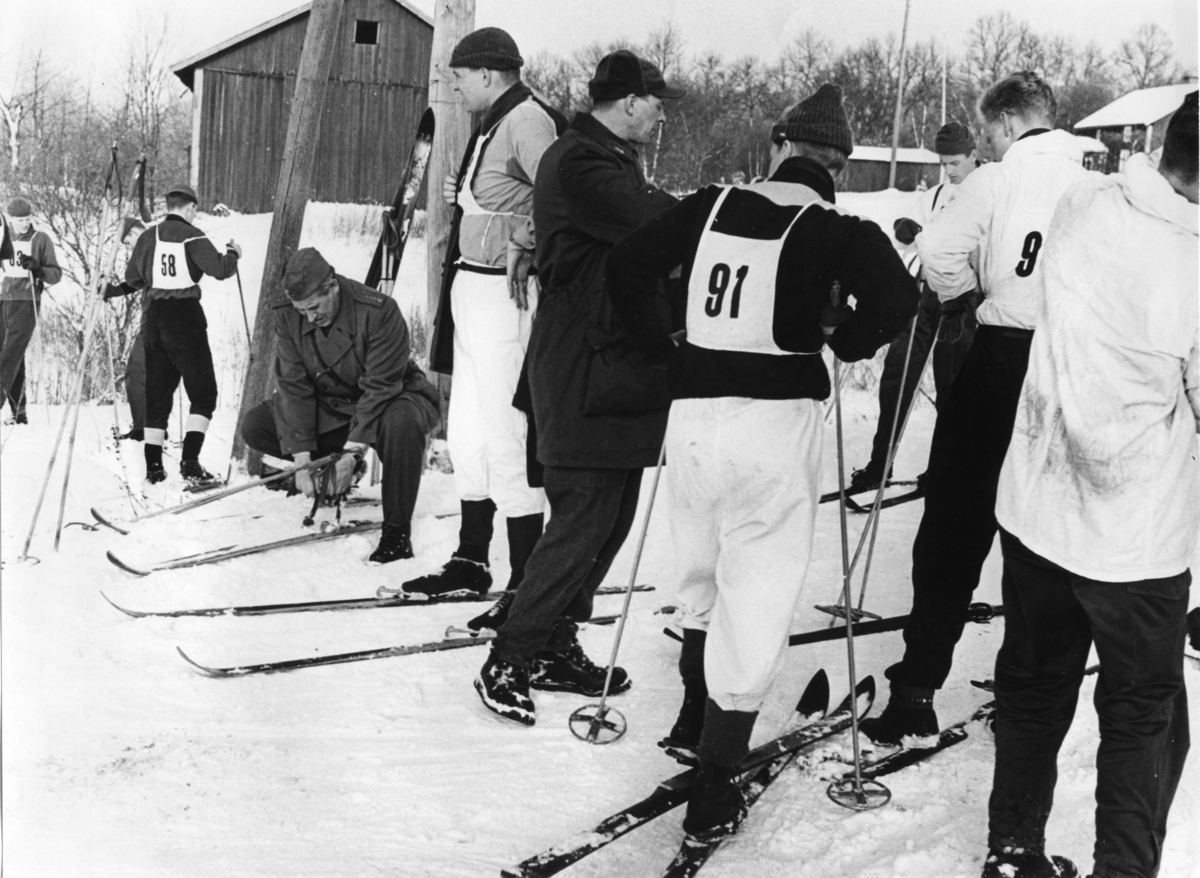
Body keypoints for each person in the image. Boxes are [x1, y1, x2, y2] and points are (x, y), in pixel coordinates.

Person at [606, 83, 918, 843]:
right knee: (758, 590)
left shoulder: (709, 205)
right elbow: (899, 301)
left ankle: (691, 713)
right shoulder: (837, 228)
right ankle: (716, 785)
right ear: (837, 166)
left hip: (693, 421)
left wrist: (662, 349)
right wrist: (845, 338)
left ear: (780, 146)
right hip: (773, 428)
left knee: (700, 568)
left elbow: (626, 265)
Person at [980, 93, 1197, 878]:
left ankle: (1013, 852)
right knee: (1143, 719)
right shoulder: (1192, 265)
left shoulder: (1084, 204)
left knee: (1034, 687)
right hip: (1131, 538)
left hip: (1038, 507)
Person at [859, 72, 1092, 745]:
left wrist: (962, 297)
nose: (987, 143)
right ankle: (1028, 695)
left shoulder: (995, 179)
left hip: (1002, 354)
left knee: (955, 523)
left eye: (989, 131)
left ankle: (916, 691)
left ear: (1008, 123)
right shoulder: (1094, 183)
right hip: (1068, 366)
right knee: (1046, 531)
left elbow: (936, 249)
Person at [472, 49, 683, 725]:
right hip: (580, 367)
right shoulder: (582, 162)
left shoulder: (608, 158)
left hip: (612, 366)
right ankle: (509, 658)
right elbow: (658, 221)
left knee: (610, 520)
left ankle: (555, 644)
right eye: (657, 104)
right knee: (582, 518)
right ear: (629, 102)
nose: (661, 116)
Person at [405, 28, 567, 608]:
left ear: (487, 73)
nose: (454, 87)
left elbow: (562, 193)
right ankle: (472, 559)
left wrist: (526, 236)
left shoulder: (526, 120)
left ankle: (526, 580)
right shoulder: (493, 122)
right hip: (471, 288)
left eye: (459, 77)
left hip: (505, 295)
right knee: (469, 433)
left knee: (505, 432)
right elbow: (508, 193)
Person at [239, 248, 442, 564]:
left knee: (402, 420)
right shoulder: (288, 314)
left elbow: (380, 388)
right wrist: (302, 460)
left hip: (388, 399)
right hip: (332, 405)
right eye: (302, 310)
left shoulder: (379, 311)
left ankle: (396, 534)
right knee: (257, 426)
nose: (309, 318)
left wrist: (351, 453)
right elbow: (294, 387)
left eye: (314, 307)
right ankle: (327, 475)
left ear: (332, 287)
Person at [849, 121, 981, 492]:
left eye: (956, 162)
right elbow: (910, 232)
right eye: (944, 163)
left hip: (961, 301)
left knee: (951, 384)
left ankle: (943, 468)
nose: (950, 170)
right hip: (925, 295)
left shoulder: (987, 193)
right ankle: (880, 464)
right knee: (898, 373)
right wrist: (905, 228)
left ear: (974, 155)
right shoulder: (937, 194)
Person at [123, 184, 241, 485]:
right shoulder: (193, 235)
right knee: (203, 394)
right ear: (190, 208)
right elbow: (220, 269)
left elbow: (132, 278)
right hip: (185, 318)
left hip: (154, 318)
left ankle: (154, 468)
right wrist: (233, 254)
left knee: (157, 396)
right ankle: (189, 463)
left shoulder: (148, 236)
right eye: (194, 211)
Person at [1, 196, 63, 425]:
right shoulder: (3, 237)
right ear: (10, 220)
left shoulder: (40, 239)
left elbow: (55, 274)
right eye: (20, 220)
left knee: (9, 354)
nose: (24, 224)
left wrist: (38, 269)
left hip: (27, 302)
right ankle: (18, 411)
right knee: (11, 355)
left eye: (27, 219)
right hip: (3, 299)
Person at [102, 216, 150, 440]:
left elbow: (137, 278)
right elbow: (138, 282)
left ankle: (144, 429)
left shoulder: (148, 247)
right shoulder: (155, 245)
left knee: (136, 372)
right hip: (162, 319)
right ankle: (148, 428)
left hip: (157, 321)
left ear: (134, 234)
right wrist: (113, 291)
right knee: (148, 374)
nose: (129, 248)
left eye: (128, 243)